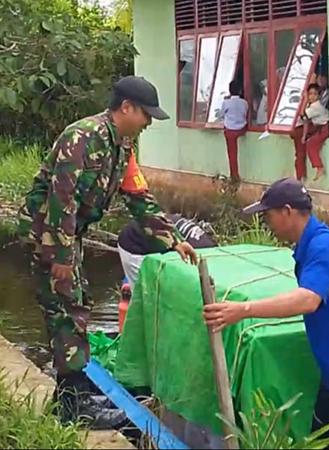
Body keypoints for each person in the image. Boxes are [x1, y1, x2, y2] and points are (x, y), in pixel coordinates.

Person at [17, 75, 198, 426]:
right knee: (67, 312)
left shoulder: (122, 146)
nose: (148, 123)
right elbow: (61, 200)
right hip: (48, 236)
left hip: (70, 236)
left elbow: (138, 198)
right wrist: (61, 257)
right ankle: (72, 408)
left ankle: (73, 393)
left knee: (77, 305)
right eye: (146, 115)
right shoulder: (82, 137)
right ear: (126, 108)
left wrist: (173, 239)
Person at [203, 178, 329, 449]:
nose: (267, 224)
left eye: (268, 216)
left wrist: (243, 310)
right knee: (324, 440)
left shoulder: (322, 245)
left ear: (287, 211)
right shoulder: (317, 240)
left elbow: (309, 299)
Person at [118, 213, 217, 292]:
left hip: (157, 231)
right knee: (147, 295)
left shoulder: (211, 246)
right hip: (133, 243)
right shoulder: (199, 250)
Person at [290, 84, 329, 181]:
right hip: (318, 127)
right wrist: (304, 136)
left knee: (311, 144)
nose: (312, 96)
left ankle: (319, 167)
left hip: (325, 127)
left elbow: (302, 115)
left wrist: (304, 100)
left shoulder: (315, 106)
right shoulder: (311, 106)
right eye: (310, 94)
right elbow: (306, 121)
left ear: (319, 96)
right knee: (307, 144)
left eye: (315, 94)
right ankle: (314, 168)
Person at [222, 81, 249, 183]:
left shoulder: (226, 103)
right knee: (233, 152)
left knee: (232, 153)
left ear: (229, 91)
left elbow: (220, 115)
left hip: (230, 131)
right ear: (240, 91)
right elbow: (246, 113)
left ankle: (234, 175)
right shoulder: (245, 103)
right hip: (242, 129)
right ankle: (234, 176)